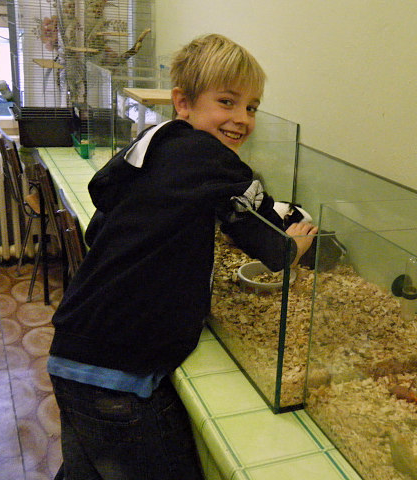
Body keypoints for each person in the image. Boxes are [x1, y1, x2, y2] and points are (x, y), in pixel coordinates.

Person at [48, 33, 318, 480]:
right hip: (117, 372)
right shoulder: (209, 156)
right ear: (183, 102)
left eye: (252, 107)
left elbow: (100, 222)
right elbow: (268, 243)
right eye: (227, 102)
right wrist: (293, 245)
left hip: (75, 347)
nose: (242, 118)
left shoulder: (154, 143)